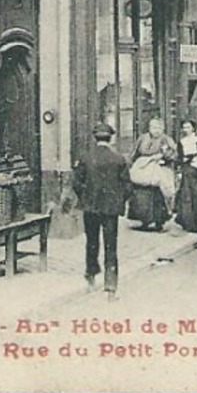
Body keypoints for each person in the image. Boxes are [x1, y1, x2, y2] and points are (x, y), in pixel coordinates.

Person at [71, 122, 130, 298]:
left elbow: (76, 183)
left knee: (92, 242)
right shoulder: (119, 159)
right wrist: (118, 200)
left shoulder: (85, 157)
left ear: (95, 138)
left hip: (91, 207)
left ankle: (90, 277)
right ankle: (111, 286)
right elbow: (127, 186)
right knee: (111, 246)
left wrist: (85, 197)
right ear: (110, 138)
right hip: (110, 209)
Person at [128, 115, 178, 226]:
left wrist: (164, 157)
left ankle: (158, 221)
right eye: (153, 127)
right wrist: (131, 164)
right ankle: (143, 220)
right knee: (141, 195)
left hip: (159, 169)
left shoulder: (166, 139)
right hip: (143, 168)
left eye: (158, 127)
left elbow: (174, 153)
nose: (156, 130)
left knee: (158, 195)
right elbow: (135, 152)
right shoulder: (142, 138)